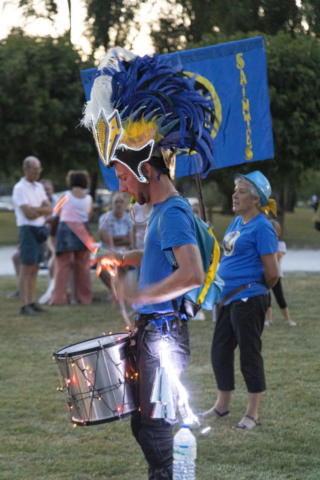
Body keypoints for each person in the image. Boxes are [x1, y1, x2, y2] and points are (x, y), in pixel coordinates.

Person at [82, 48, 215, 479]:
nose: (121, 183)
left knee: (158, 432)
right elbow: (161, 256)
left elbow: (191, 272)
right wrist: (122, 256)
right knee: (146, 424)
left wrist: (140, 293)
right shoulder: (162, 213)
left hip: (163, 335)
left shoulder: (172, 211)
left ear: (144, 167)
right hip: (154, 334)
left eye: (122, 174)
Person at [202, 171, 279, 430]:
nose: (234, 195)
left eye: (241, 191)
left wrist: (253, 289)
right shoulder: (237, 223)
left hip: (249, 299)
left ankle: (252, 414)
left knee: (249, 355)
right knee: (220, 352)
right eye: (235, 190)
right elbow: (228, 257)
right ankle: (222, 407)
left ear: (256, 200)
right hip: (227, 300)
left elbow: (273, 273)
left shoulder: (263, 227)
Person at [12, 156, 53, 316]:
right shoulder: (19, 188)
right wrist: (39, 210)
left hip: (40, 228)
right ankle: (24, 304)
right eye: (34, 169)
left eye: (39, 169)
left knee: (35, 266)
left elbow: (49, 208)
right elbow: (27, 214)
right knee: (26, 267)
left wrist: (36, 209)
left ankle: (31, 302)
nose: (37, 172)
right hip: (27, 229)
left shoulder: (39, 187)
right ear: (26, 169)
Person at [50, 171, 93, 305]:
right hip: (83, 230)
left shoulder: (65, 195)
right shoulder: (89, 198)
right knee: (83, 266)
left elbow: (56, 211)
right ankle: (85, 298)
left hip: (66, 229)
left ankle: (59, 298)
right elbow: (89, 216)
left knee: (62, 266)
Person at [98, 192, 134, 300]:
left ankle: (117, 293)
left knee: (123, 260)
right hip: (104, 250)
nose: (118, 204)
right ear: (111, 203)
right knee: (100, 263)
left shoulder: (129, 219)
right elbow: (103, 238)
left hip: (122, 250)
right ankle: (116, 292)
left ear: (125, 203)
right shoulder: (104, 217)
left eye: (121, 202)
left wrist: (112, 239)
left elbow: (129, 240)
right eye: (116, 202)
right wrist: (121, 238)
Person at [264, 220, 296, 326]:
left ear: (278, 232)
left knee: (280, 297)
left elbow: (278, 256)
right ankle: (269, 319)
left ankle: (288, 319)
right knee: (267, 298)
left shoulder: (280, 244)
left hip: (276, 275)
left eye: (274, 231)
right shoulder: (263, 244)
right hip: (264, 274)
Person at [38, 179, 58, 304]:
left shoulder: (58, 203)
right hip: (42, 236)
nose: (46, 192)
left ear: (52, 190)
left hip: (54, 238)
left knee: (53, 263)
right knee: (16, 256)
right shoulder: (37, 202)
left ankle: (52, 291)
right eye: (43, 189)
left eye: (48, 189)